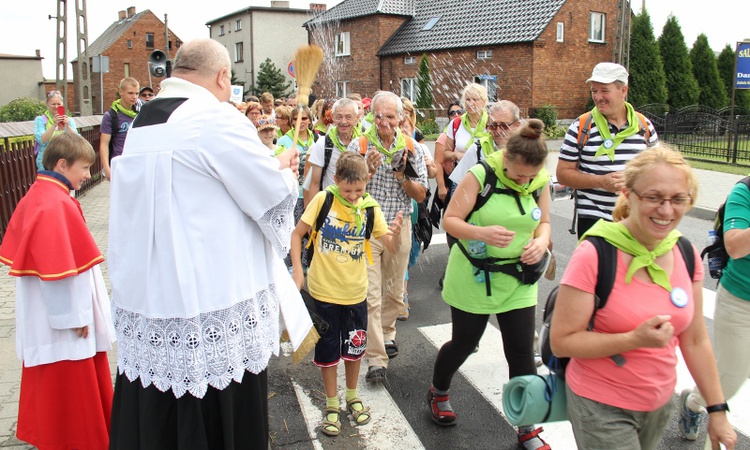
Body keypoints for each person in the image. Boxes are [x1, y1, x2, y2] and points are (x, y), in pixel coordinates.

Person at [106, 38, 312, 450]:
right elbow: (270, 199)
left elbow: (196, 189)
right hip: (208, 304)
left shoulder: (146, 119)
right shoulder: (215, 118)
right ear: (222, 77)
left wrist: (269, 168)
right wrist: (286, 173)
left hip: (152, 301)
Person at [550, 145, 736, 450]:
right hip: (600, 405)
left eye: (678, 199)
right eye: (653, 197)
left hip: (657, 403)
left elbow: (695, 340)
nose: (666, 210)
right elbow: (563, 341)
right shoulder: (596, 253)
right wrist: (634, 339)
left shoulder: (685, 251)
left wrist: (717, 410)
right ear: (629, 194)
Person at [427, 119, 551, 450]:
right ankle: (438, 390)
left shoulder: (537, 178)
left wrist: (540, 242)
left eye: (530, 178)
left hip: (519, 281)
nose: (525, 182)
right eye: (519, 176)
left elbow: (546, 222)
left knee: (522, 353)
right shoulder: (481, 175)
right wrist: (482, 232)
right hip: (475, 276)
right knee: (464, 344)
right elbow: (449, 220)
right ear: (506, 159)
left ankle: (527, 425)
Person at [0, 132, 115, 450]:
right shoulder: (55, 204)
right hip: (61, 322)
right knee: (71, 384)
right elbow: (59, 271)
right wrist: (73, 316)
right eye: (83, 168)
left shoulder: (41, 195)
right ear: (62, 164)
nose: (87, 175)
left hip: (45, 313)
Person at [290, 152, 403, 437]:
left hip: (355, 293)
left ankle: (352, 395)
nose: (353, 196)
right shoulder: (323, 200)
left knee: (354, 350)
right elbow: (297, 234)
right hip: (323, 292)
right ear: (337, 180)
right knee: (328, 352)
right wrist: (298, 272)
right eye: (348, 190)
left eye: (359, 190)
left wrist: (396, 234)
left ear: (367, 182)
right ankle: (331, 403)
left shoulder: (369, 208)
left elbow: (388, 245)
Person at [347, 91, 428, 383]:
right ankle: (376, 360)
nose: (383, 122)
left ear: (401, 119)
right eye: (378, 116)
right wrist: (366, 170)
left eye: (389, 117)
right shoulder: (361, 144)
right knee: (370, 295)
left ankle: (386, 331)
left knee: (394, 293)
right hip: (367, 226)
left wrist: (401, 176)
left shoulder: (412, 148)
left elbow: (420, 195)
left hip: (399, 224)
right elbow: (348, 190)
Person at [678, 177, 750, 445]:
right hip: (741, 303)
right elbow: (735, 246)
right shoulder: (745, 191)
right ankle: (695, 402)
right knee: (731, 377)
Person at [556, 62, 658, 237]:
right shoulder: (581, 126)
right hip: (594, 218)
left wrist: (633, 179)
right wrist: (601, 182)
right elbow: (563, 174)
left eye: (604, 90)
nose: (598, 97)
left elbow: (659, 171)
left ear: (623, 91)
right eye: (594, 91)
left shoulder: (644, 126)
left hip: (635, 218)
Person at [450, 100, 522, 185]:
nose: (498, 131)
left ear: (517, 125)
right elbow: (459, 184)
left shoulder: (527, 149)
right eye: (493, 125)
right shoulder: (477, 149)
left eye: (504, 126)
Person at [306, 97, 361, 203]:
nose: (343, 121)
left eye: (348, 117)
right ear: (333, 118)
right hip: (330, 207)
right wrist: (313, 215)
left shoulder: (363, 142)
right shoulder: (323, 143)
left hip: (356, 207)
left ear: (356, 118)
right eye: (339, 117)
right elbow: (314, 183)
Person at [99, 77, 140, 180]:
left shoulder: (140, 112)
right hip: (119, 164)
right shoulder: (111, 116)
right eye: (130, 93)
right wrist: (106, 168)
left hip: (138, 163)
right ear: (121, 92)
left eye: (136, 93)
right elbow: (104, 143)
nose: (134, 97)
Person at [34, 90, 78, 171]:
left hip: (65, 159)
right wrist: (54, 125)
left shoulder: (69, 120)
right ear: (47, 104)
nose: (56, 107)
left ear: (62, 104)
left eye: (59, 104)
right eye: (53, 104)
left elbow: (78, 140)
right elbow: (41, 140)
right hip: (46, 161)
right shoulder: (40, 120)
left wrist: (67, 126)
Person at [433, 100, 463, 205]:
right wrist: (441, 186)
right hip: (449, 180)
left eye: (460, 112)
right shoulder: (444, 137)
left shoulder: (470, 135)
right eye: (452, 113)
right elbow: (438, 163)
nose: (456, 115)